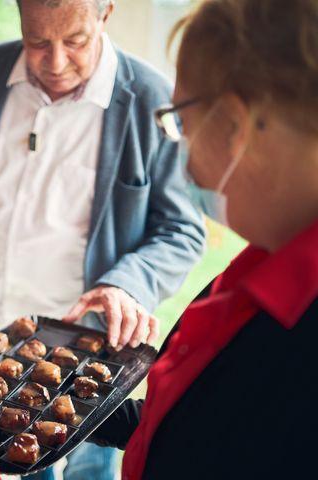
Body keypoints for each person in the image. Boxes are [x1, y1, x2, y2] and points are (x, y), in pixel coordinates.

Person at [0, 0, 205, 477]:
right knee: (19, 461)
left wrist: (125, 285)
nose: (56, 61)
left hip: (94, 349)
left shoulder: (151, 96)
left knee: (90, 468)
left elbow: (183, 228)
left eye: (76, 41)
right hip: (0, 327)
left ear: (106, 12)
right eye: (38, 41)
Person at [83, 0, 318, 478]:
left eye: (182, 125)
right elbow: (198, 429)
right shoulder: (257, 266)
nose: (186, 163)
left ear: (236, 124)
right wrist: (69, 410)